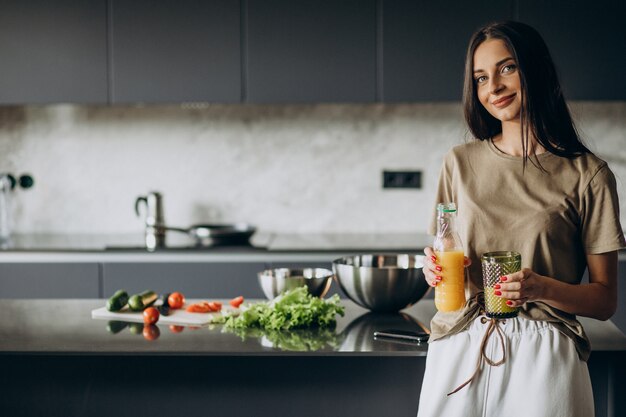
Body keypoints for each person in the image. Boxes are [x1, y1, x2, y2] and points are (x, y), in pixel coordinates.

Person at [417, 21, 625, 417]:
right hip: (460, 345)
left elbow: (604, 300)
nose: (493, 86)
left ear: (536, 70)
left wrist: (540, 288)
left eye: (506, 68)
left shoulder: (588, 174)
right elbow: (450, 261)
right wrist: (437, 271)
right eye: (480, 77)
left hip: (544, 356)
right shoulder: (459, 163)